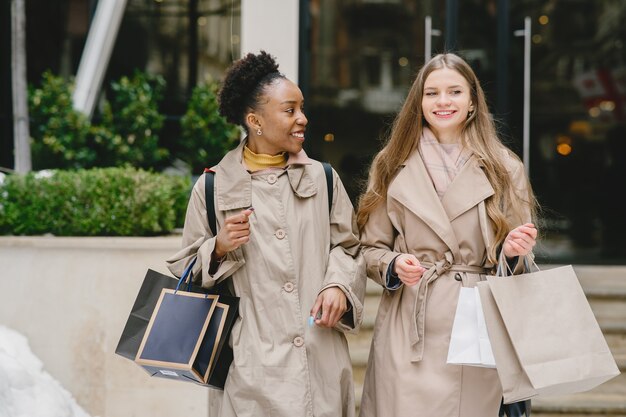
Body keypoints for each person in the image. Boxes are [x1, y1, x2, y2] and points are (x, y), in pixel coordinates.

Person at [166, 51, 366, 417]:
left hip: (318, 358)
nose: (302, 118)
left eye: (302, 108)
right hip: (249, 369)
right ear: (255, 120)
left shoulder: (323, 179)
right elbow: (185, 274)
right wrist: (219, 248)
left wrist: (338, 285)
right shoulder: (212, 188)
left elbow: (349, 247)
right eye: (290, 110)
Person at [356, 53, 538, 417]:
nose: (443, 102)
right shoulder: (391, 163)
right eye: (432, 93)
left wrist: (514, 253)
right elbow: (368, 248)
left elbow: (520, 261)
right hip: (410, 325)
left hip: (477, 327)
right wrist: (393, 264)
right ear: (418, 102)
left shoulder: (504, 166)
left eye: (454, 91)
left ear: (472, 100)